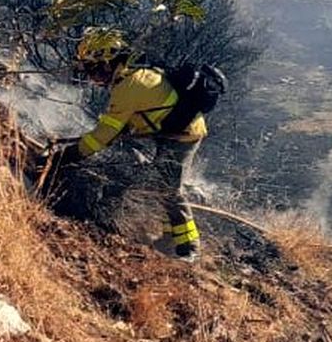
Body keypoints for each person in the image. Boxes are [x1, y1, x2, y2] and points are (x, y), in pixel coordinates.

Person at [52, 28, 223, 261]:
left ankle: (188, 246)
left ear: (110, 62)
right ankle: (168, 236)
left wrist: (68, 155)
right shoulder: (132, 78)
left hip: (184, 135)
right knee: (156, 177)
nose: (93, 77)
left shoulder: (128, 87)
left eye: (95, 69)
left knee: (168, 187)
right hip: (167, 131)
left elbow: (101, 137)